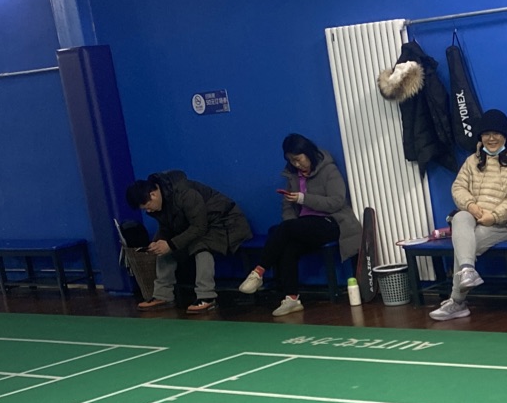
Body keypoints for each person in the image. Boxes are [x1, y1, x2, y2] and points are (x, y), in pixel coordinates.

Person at [239, 134, 360, 316]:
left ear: (308, 153)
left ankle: (258, 271)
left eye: (298, 159)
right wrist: (292, 222)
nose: (296, 164)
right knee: (286, 242)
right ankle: (292, 299)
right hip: (304, 225)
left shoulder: (329, 170)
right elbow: (287, 207)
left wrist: (303, 199)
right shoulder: (293, 176)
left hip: (332, 222)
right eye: (291, 161)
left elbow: (336, 202)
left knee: (285, 230)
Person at [432, 110, 507, 321]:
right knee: (460, 217)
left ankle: (457, 301)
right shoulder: (472, 161)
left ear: (505, 136)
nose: (491, 138)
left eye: (496, 133)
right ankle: (468, 271)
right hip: (472, 218)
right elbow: (458, 187)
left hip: (502, 225)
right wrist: (471, 205)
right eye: (486, 134)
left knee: (464, 245)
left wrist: (494, 216)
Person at [125, 169, 251, 312]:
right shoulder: (161, 202)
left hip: (226, 222)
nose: (148, 211)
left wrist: (171, 244)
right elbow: (167, 227)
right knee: (162, 250)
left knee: (201, 247)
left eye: (147, 207)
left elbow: (199, 227)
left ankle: (206, 296)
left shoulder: (185, 194)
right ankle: (162, 295)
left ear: (153, 195)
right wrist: (159, 242)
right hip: (202, 225)